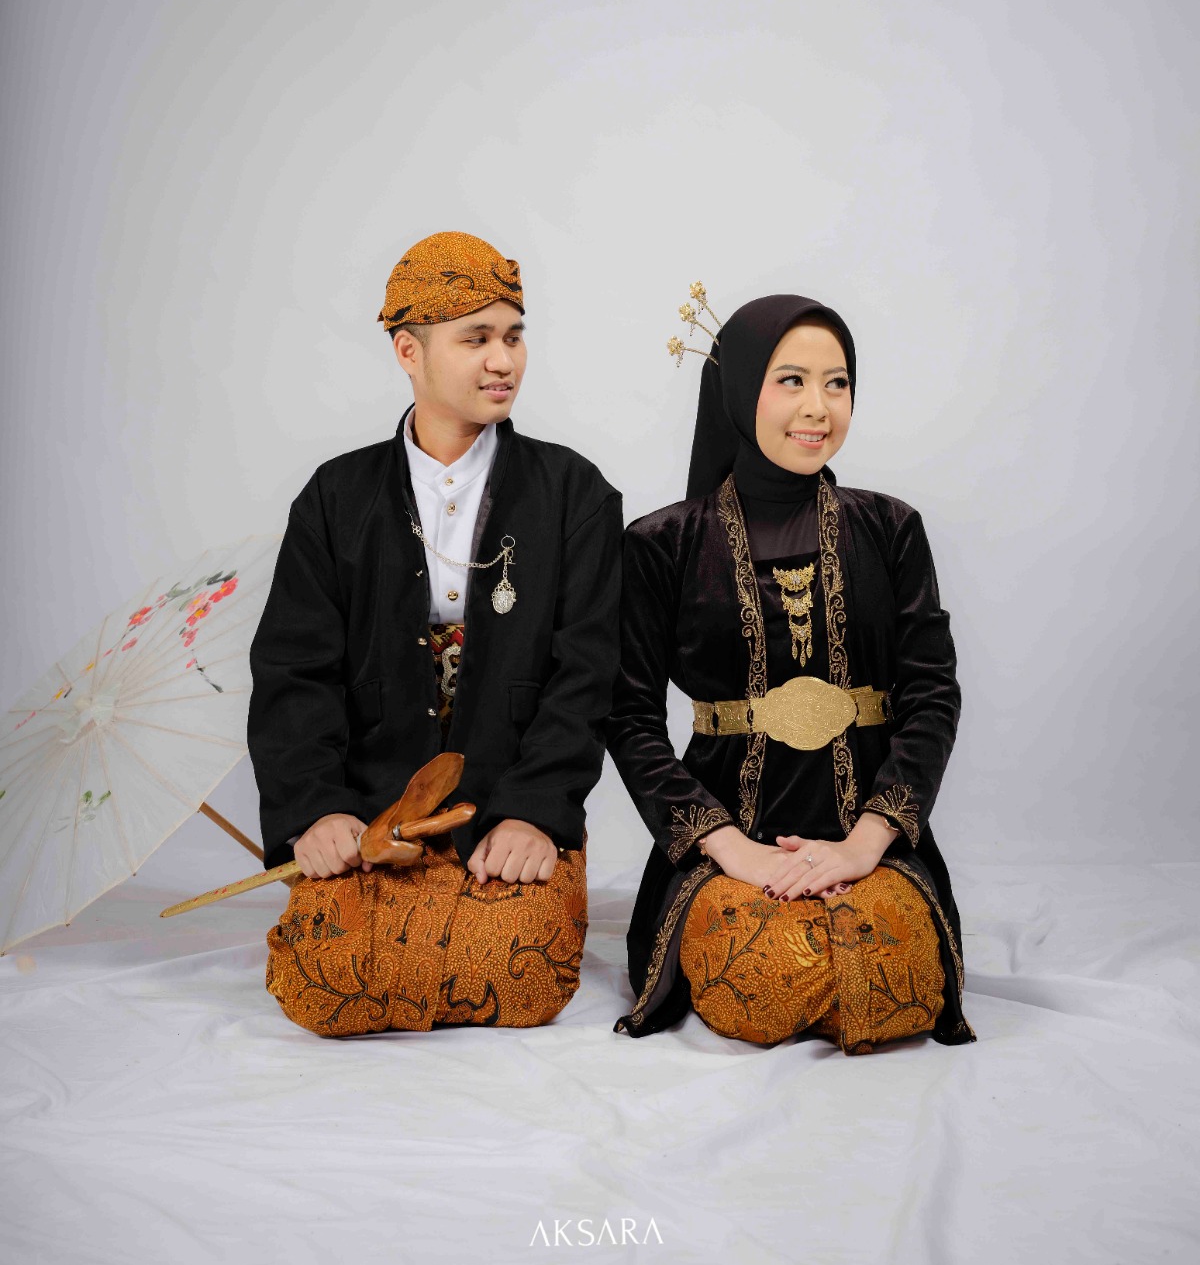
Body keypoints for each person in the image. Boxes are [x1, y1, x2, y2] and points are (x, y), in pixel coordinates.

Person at [247, 230, 622, 1037]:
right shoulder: (335, 498)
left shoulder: (574, 493)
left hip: (507, 813)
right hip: (371, 818)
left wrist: (535, 811)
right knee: (322, 982)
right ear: (408, 351)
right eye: (476, 338)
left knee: (519, 977)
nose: (503, 361)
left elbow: (589, 673)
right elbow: (294, 671)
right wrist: (317, 811)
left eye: (514, 336)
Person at [608, 289, 974, 1052]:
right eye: (792, 381)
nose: (818, 408)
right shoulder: (661, 545)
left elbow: (932, 694)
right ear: (741, 390)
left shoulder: (891, 529)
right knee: (769, 973)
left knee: (891, 967)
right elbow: (628, 716)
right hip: (723, 844)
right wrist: (731, 849)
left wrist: (866, 842)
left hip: (872, 839)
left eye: (837, 383)